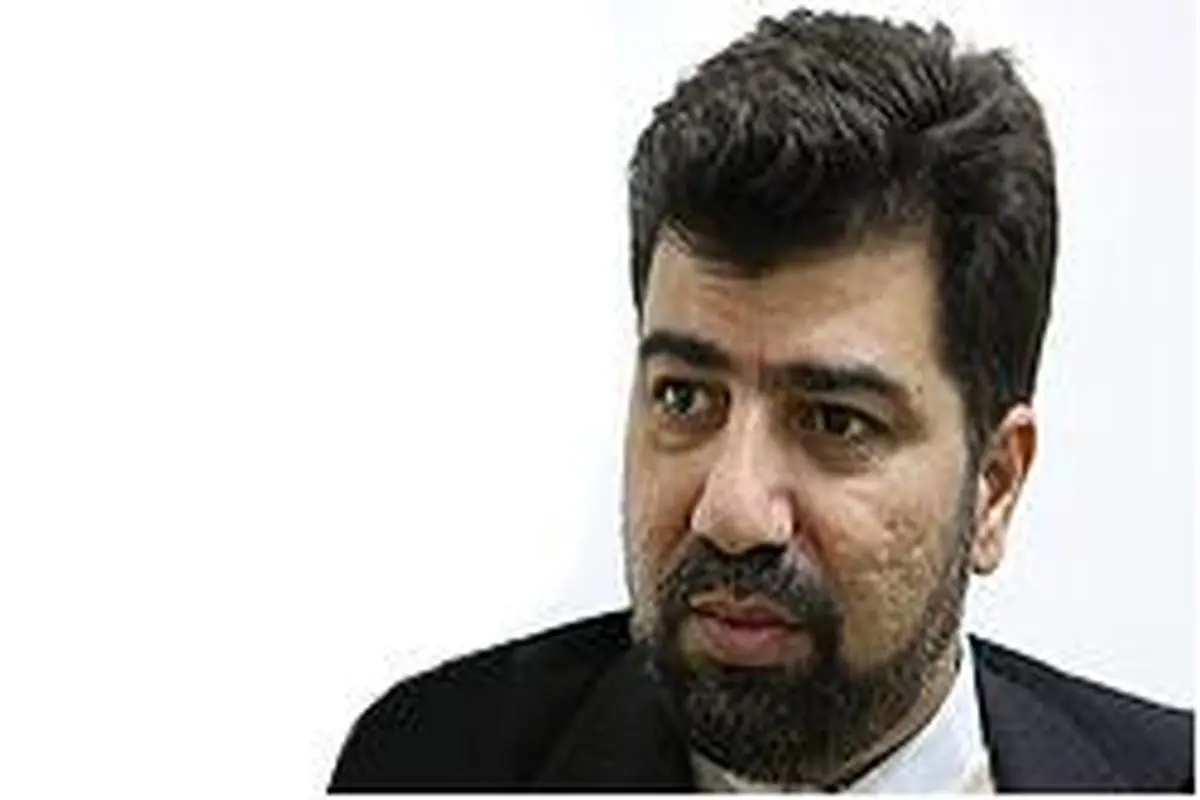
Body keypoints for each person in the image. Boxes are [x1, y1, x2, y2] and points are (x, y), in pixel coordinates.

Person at [328, 7, 1193, 792]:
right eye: (685, 398)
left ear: (994, 486)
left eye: (835, 421)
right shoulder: (430, 764)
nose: (732, 513)